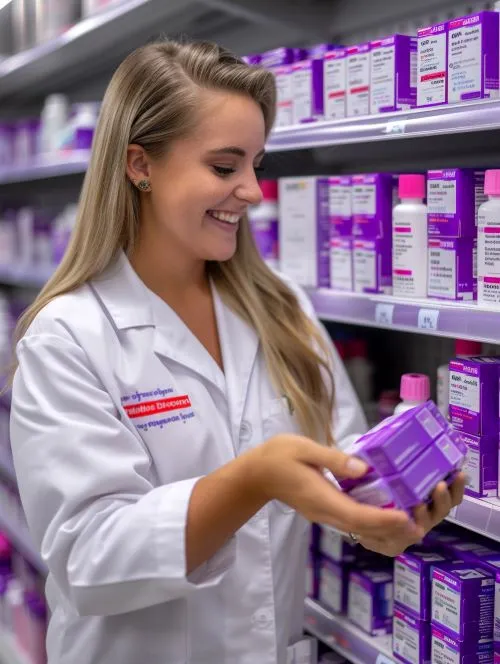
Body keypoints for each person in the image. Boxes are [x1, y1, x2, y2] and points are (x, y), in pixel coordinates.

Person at [9, 40, 464, 664]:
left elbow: (340, 470)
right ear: (140, 164)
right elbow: (89, 558)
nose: (251, 191)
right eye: (225, 167)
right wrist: (251, 480)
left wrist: (380, 514)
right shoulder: (68, 336)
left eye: (256, 163)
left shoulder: (281, 308)